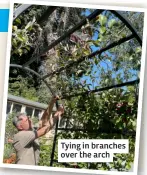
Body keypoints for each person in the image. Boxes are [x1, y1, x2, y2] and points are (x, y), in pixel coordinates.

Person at [12, 95, 64, 165]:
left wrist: (52, 102)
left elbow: (43, 120)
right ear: (20, 126)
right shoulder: (21, 136)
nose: (30, 119)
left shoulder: (31, 130)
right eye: (27, 120)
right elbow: (44, 129)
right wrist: (57, 114)